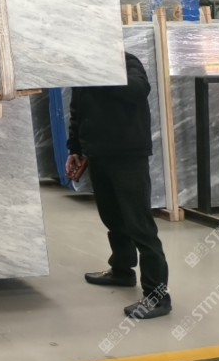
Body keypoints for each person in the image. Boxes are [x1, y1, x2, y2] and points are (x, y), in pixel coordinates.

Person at [66, 52, 171, 319]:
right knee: (113, 218)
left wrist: (101, 69)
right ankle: (122, 271)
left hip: (128, 155)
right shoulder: (82, 65)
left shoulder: (127, 62)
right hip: (98, 154)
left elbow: (138, 90)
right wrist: (75, 148)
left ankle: (157, 297)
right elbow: (77, 110)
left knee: (140, 225)